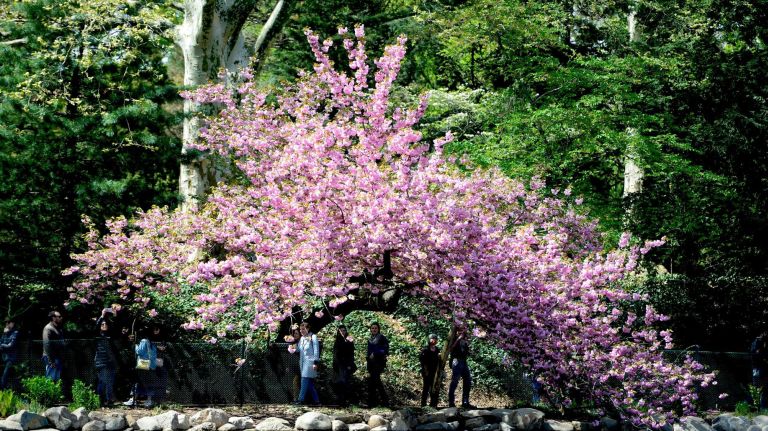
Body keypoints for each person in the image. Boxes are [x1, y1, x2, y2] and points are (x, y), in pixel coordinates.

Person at [125, 325, 166, 408]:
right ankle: (149, 400)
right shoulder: (152, 342)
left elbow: (139, 352)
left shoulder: (143, 341)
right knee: (149, 383)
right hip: (151, 365)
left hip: (143, 364)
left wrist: (136, 346)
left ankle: (133, 399)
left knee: (138, 382)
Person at [94, 310, 117, 405]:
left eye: (105, 324)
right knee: (103, 381)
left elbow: (115, 328)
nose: (104, 325)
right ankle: (100, 400)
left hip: (110, 362)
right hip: (101, 362)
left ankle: (108, 399)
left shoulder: (110, 335)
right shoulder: (97, 335)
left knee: (110, 381)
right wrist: (102, 316)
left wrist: (114, 315)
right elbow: (95, 328)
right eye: (102, 324)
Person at [295, 321, 320, 405]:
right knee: (309, 384)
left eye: (303, 329)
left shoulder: (313, 337)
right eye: (300, 329)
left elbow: (316, 351)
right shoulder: (302, 338)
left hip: (310, 363)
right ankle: (317, 401)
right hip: (302, 363)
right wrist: (291, 346)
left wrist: (315, 363)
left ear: (308, 329)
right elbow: (298, 349)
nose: (301, 331)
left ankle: (300, 400)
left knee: (304, 380)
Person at [448, 326, 473, 408]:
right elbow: (450, 349)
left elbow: (467, 351)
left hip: (464, 361)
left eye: (462, 331)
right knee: (455, 381)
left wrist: (469, 348)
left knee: (468, 381)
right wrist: (458, 339)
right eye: (459, 330)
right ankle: (451, 402)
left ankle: (465, 402)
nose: (461, 332)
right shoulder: (454, 338)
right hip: (456, 360)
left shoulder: (465, 340)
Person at [366, 321, 389, 407]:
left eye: (376, 328)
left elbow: (385, 350)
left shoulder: (382, 338)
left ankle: (385, 401)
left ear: (378, 329)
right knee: (372, 382)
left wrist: (375, 353)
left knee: (377, 380)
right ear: (370, 330)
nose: (374, 329)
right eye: (372, 328)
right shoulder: (370, 339)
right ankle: (372, 402)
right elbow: (369, 352)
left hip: (379, 362)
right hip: (371, 363)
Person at [332, 325, 356, 406]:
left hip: (346, 364)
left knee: (345, 381)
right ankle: (340, 400)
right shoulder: (337, 340)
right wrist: (335, 364)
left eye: (344, 330)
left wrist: (350, 364)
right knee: (340, 382)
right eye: (341, 330)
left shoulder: (349, 339)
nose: (342, 332)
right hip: (339, 364)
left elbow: (351, 353)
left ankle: (344, 400)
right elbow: (335, 353)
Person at [42, 310, 65, 381]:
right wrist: (51, 360)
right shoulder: (48, 328)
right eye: (59, 316)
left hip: (57, 357)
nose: (61, 318)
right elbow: (46, 344)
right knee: (51, 379)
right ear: (53, 318)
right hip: (52, 358)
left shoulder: (57, 328)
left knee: (56, 379)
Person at [419, 333, 440, 407]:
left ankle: (433, 404)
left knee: (433, 387)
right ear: (429, 340)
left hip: (435, 371)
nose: (434, 340)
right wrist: (426, 371)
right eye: (432, 339)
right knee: (426, 387)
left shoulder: (437, 349)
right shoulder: (425, 349)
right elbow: (422, 361)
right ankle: (423, 404)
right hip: (427, 371)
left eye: (435, 339)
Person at [0, 318, 19, 389]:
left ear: (12, 323)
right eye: (6, 323)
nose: (7, 324)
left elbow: (11, 345)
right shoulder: (4, 333)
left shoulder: (15, 333)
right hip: (3, 357)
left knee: (5, 374)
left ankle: (2, 389)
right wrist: (5, 333)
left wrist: (2, 345)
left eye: (8, 322)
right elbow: (0, 342)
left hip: (11, 358)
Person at [752, 331, 768, 408]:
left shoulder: (758, 342)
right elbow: (758, 355)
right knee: (762, 389)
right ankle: (762, 407)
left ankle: (762, 407)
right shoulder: (758, 342)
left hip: (759, 369)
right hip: (760, 369)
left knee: (762, 389)